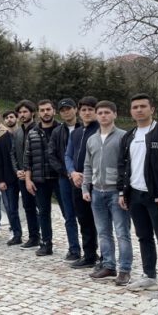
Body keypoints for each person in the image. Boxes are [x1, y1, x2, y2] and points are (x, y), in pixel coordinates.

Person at [118, 94, 158, 300]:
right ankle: (149, 275)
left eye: (143, 106)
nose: (139, 110)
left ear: (152, 109)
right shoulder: (129, 137)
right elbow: (123, 167)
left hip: (157, 196)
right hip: (135, 195)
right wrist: (123, 192)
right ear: (131, 111)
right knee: (143, 236)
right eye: (135, 107)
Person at [83, 101, 131, 285]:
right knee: (103, 232)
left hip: (116, 192)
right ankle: (109, 265)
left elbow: (128, 166)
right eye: (100, 112)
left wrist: (123, 192)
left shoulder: (123, 137)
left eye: (107, 112)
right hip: (97, 192)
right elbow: (87, 165)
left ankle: (125, 269)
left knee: (122, 232)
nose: (103, 115)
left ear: (114, 114)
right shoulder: (92, 139)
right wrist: (86, 188)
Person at [65, 96, 101, 269]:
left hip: (96, 183)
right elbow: (68, 155)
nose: (87, 113)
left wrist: (88, 176)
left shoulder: (100, 131)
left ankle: (105, 256)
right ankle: (89, 255)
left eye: (90, 110)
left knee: (100, 222)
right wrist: (72, 173)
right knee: (84, 220)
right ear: (79, 112)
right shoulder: (76, 132)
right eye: (84, 110)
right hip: (77, 183)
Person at [47, 98, 83, 262]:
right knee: (69, 215)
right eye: (63, 110)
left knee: (86, 215)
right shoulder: (57, 132)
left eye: (69, 108)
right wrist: (66, 172)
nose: (66, 112)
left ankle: (91, 249)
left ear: (76, 109)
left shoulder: (85, 128)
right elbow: (52, 155)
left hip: (84, 177)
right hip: (64, 177)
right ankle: (74, 248)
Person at [24, 99, 61, 256]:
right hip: (40, 179)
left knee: (69, 214)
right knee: (43, 212)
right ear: (38, 113)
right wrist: (28, 179)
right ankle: (46, 244)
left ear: (54, 111)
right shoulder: (32, 133)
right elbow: (28, 158)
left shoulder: (62, 130)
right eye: (42, 110)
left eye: (48, 109)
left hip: (60, 178)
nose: (45, 113)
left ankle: (76, 248)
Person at [10, 100, 40, 249]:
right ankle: (33, 237)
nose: (22, 115)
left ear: (32, 113)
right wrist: (18, 170)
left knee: (42, 208)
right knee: (28, 207)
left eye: (25, 112)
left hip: (37, 176)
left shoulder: (39, 129)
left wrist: (30, 173)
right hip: (21, 176)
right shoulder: (17, 132)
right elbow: (13, 154)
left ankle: (46, 239)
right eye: (20, 112)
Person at [0, 111, 23, 245]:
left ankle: (36, 234)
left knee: (32, 208)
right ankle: (17, 234)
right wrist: (0, 180)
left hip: (25, 176)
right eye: (7, 118)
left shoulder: (25, 134)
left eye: (11, 117)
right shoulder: (1, 139)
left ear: (16, 118)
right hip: (8, 178)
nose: (9, 119)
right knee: (11, 209)